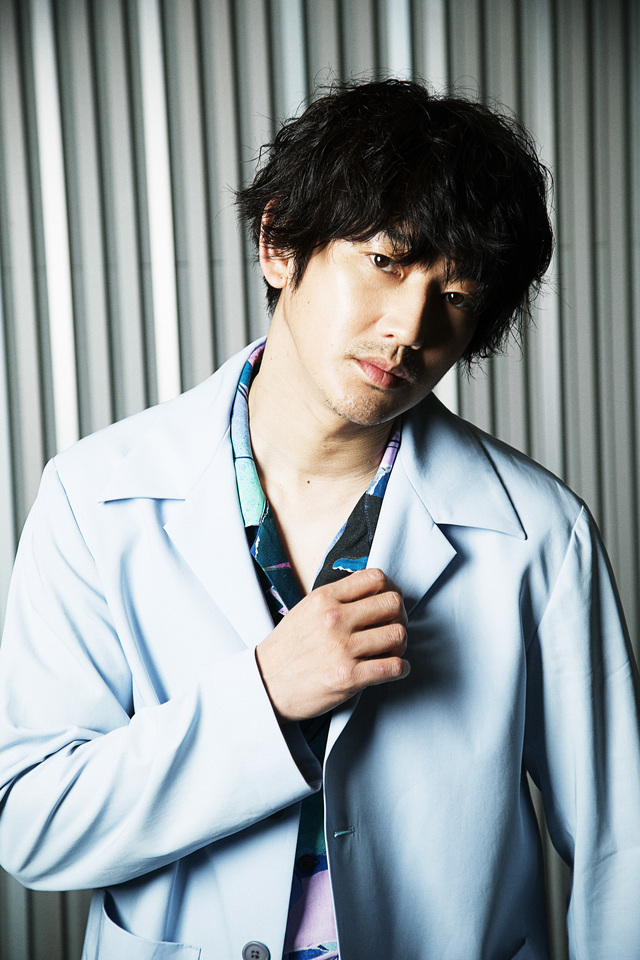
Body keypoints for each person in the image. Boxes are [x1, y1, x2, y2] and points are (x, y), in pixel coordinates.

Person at [0, 78, 638, 960]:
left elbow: (620, 850)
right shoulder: (93, 497)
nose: (409, 326)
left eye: (455, 296)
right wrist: (264, 699)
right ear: (278, 244)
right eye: (385, 261)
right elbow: (32, 822)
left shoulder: (539, 533)